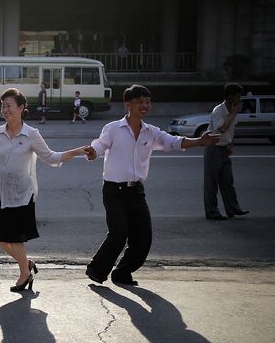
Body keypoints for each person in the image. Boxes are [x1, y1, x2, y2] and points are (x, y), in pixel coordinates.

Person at [83, 85, 220, 286]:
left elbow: (173, 142)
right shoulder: (113, 129)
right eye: (140, 102)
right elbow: (99, 145)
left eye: (148, 102)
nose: (145, 106)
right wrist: (93, 152)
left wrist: (199, 141)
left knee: (143, 238)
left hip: (136, 191)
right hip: (114, 191)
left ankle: (123, 272)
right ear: (128, 104)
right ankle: (97, 269)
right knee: (119, 234)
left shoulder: (151, 132)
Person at [0, 88, 88, 292]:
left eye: (9, 106)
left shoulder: (31, 134)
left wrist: (76, 151)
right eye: (3, 106)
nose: (5, 110)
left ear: (21, 108)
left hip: (22, 196)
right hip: (2, 197)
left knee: (15, 239)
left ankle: (24, 275)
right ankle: (27, 264)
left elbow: (51, 157)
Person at [204, 83, 249, 220]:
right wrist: (234, 113)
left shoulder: (232, 111)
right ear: (230, 96)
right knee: (211, 183)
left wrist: (231, 145)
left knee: (228, 181)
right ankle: (212, 212)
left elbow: (231, 130)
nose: (239, 99)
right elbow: (223, 128)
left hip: (224, 149)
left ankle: (233, 209)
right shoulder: (218, 110)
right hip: (213, 148)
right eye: (237, 96)